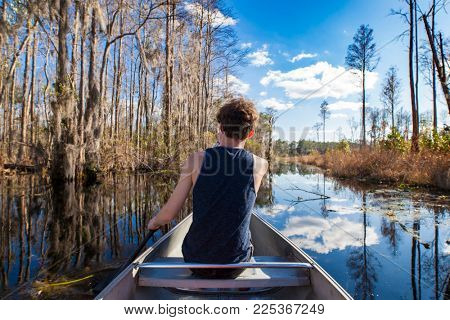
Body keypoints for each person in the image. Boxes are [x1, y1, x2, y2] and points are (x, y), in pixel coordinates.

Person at [147, 97, 268, 279]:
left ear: (220, 128)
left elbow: (168, 215)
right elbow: (236, 201)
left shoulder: (195, 160)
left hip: (197, 262)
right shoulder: (260, 164)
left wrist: (154, 222)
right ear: (250, 134)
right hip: (236, 264)